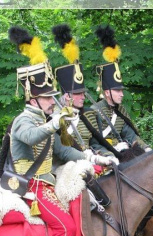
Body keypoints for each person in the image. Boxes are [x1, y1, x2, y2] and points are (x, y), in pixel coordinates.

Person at [8, 26, 113, 236]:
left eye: (51, 97)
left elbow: (63, 153)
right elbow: (30, 138)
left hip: (46, 182)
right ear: (33, 98)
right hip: (27, 184)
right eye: (46, 97)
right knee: (64, 225)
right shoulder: (24, 120)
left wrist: (92, 156)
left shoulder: (44, 120)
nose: (51, 101)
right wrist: (54, 123)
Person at [51, 24, 118, 167]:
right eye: (78, 94)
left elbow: (96, 143)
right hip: (68, 167)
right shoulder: (55, 119)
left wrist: (109, 155)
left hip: (92, 163)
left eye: (83, 93)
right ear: (67, 96)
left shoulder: (88, 114)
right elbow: (61, 153)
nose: (83, 97)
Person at [84, 25, 151, 159]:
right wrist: (112, 152)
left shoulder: (120, 110)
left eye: (121, 90)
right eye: (117, 91)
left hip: (123, 153)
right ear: (107, 92)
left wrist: (147, 148)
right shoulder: (94, 111)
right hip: (104, 157)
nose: (122, 94)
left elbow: (131, 136)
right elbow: (94, 144)